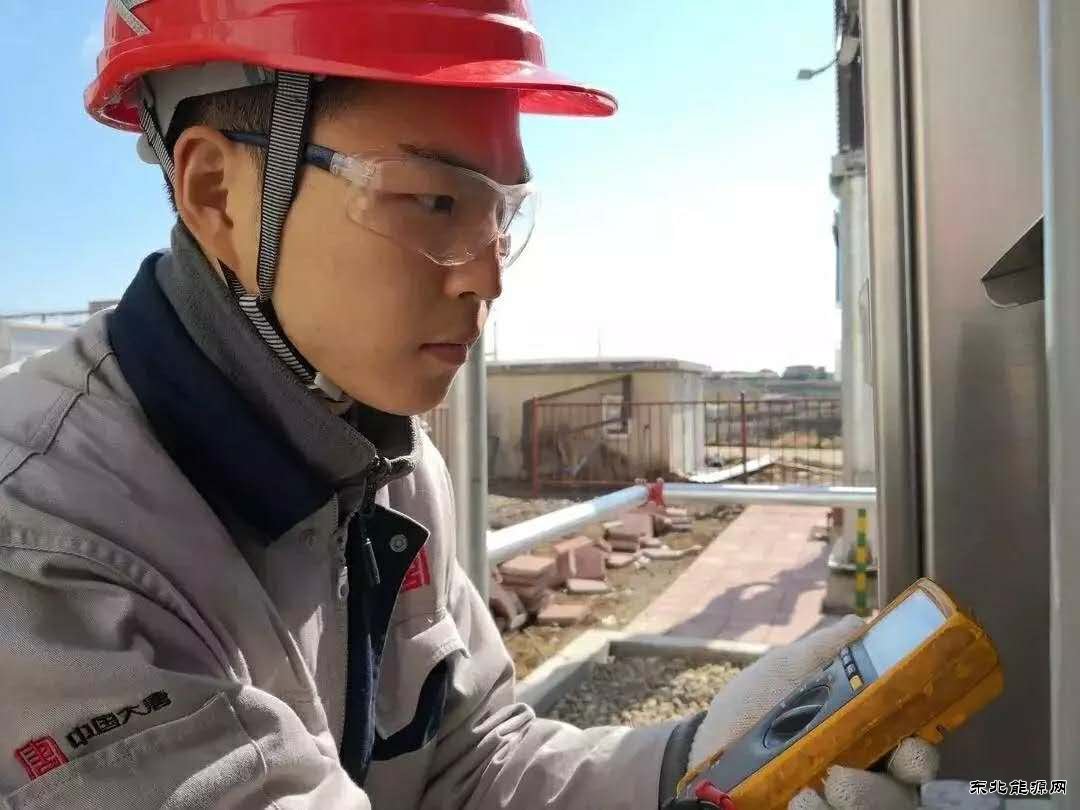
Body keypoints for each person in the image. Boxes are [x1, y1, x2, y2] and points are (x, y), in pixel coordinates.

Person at [0, 2, 937, 808]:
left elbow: (475, 765)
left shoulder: (393, 467)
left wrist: (697, 760)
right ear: (218, 193)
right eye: (434, 201)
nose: (487, 277)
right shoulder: (46, 545)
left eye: (500, 214)